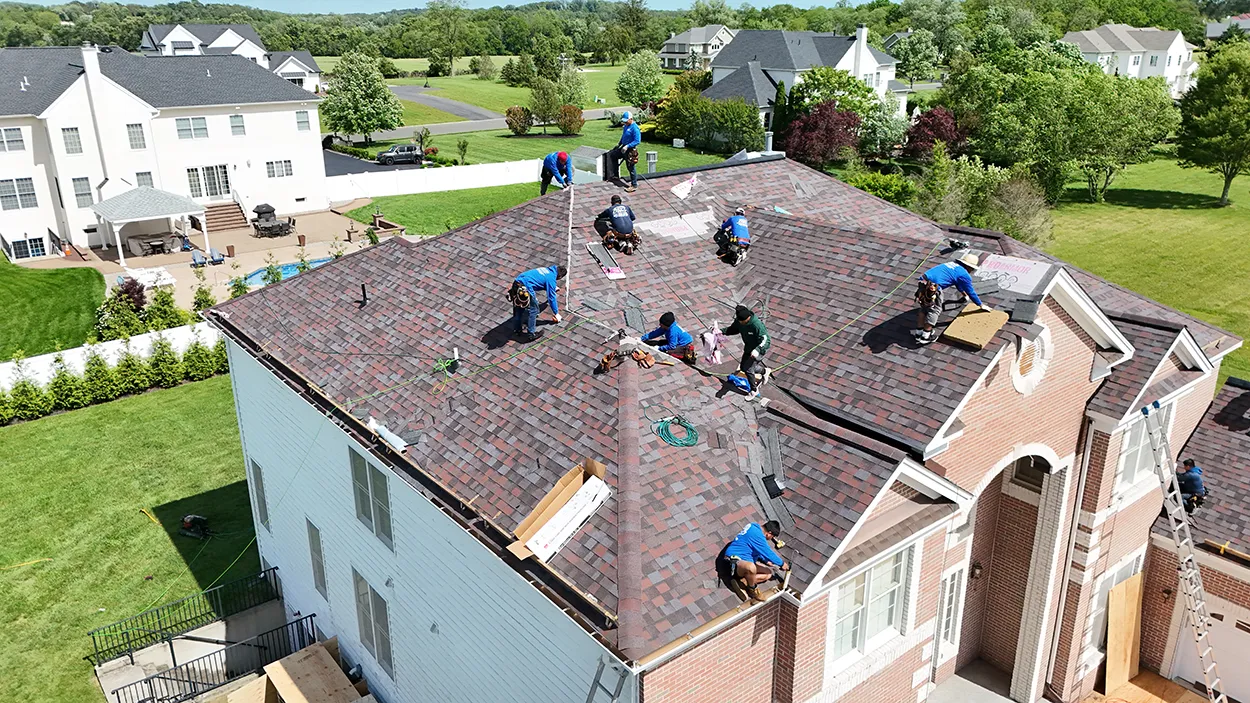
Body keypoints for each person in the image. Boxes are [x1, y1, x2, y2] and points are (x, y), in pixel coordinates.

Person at [913, 253, 993, 345]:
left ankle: (918, 333)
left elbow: (958, 283)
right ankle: (925, 336)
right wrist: (980, 305)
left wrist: (963, 294)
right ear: (969, 267)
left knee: (924, 307)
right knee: (934, 310)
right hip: (933, 287)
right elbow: (971, 292)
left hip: (923, 282)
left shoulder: (952, 265)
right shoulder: (964, 274)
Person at [719, 520, 787, 603]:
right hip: (731, 563)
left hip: (742, 563)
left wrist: (765, 560)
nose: (771, 539)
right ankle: (752, 589)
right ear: (769, 533)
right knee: (751, 567)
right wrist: (782, 564)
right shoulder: (757, 535)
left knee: (768, 574)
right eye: (772, 537)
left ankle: (742, 583)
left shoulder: (753, 526)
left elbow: (755, 547)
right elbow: (768, 552)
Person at [723, 305, 770, 400]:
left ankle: (754, 390)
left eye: (742, 321)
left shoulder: (757, 325)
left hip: (759, 350)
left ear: (748, 318)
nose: (740, 323)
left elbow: (766, 340)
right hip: (748, 349)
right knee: (744, 367)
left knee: (749, 369)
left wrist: (757, 350)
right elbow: (733, 329)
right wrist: (720, 331)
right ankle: (764, 371)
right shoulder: (740, 321)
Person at [509, 265, 567, 342]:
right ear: (559, 277)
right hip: (525, 289)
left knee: (519, 308)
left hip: (516, 284)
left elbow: (541, 280)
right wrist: (556, 313)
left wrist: (552, 287)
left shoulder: (546, 270)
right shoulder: (551, 279)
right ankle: (531, 334)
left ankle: (517, 330)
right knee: (534, 310)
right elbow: (551, 298)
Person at [608, 111, 641, 193]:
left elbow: (637, 141)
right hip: (623, 148)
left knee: (631, 167)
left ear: (631, 119)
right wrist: (619, 144)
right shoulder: (626, 126)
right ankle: (616, 175)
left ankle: (634, 185)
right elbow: (623, 136)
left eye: (626, 120)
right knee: (613, 155)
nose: (625, 122)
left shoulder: (635, 128)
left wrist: (627, 146)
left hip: (630, 150)